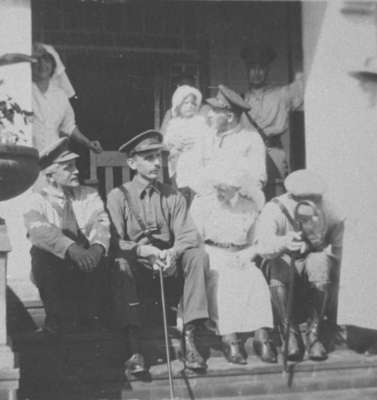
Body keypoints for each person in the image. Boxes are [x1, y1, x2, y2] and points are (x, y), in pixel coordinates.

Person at [106, 130, 210, 376]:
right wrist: (143, 250)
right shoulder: (118, 196)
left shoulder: (172, 195)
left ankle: (190, 337)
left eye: (158, 157)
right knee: (120, 264)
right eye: (148, 157)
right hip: (137, 267)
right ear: (132, 163)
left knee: (197, 255)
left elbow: (188, 234)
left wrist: (172, 253)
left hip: (168, 265)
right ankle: (134, 348)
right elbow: (114, 241)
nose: (156, 163)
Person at [23, 138, 110, 335]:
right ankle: (55, 319)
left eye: (75, 165)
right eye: (68, 167)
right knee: (39, 253)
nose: (76, 171)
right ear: (50, 174)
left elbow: (101, 222)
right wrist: (72, 249)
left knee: (104, 253)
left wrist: (96, 249)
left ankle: (92, 318)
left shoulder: (89, 194)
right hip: (58, 269)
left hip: (87, 266)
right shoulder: (36, 200)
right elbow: (39, 231)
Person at [255, 169, 345, 361]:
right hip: (283, 262)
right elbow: (262, 246)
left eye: (315, 198)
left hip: (311, 263)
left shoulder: (329, 210)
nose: (310, 202)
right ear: (291, 196)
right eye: (303, 198)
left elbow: (340, 248)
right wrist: (284, 243)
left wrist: (323, 252)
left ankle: (314, 333)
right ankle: (289, 333)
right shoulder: (275, 208)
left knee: (320, 261)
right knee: (278, 264)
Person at [191, 167, 276, 365]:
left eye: (224, 188)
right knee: (223, 278)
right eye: (216, 187)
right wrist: (217, 255)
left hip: (242, 253)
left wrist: (247, 255)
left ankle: (262, 336)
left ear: (238, 188)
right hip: (212, 252)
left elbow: (257, 241)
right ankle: (229, 338)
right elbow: (196, 238)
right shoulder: (203, 204)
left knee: (256, 278)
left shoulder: (249, 206)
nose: (219, 192)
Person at [241, 44, 304, 199]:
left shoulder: (281, 94)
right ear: (247, 71)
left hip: (273, 153)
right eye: (252, 68)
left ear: (267, 70)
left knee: (276, 197)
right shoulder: (241, 100)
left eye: (261, 68)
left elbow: (304, 83)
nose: (257, 73)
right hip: (248, 156)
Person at [31, 44, 102, 153]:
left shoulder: (60, 95)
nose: (42, 65)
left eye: (46, 60)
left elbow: (69, 126)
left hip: (52, 155)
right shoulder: (24, 91)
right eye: (37, 61)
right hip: (28, 155)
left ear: (53, 65)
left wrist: (88, 143)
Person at [201, 84, 267, 196]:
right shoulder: (209, 137)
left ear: (230, 117)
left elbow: (257, 180)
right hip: (210, 202)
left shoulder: (251, 139)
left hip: (238, 205)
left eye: (215, 110)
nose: (209, 114)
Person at [164, 84, 213, 203]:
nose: (190, 106)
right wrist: (175, 144)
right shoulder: (174, 124)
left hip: (197, 161)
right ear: (178, 105)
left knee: (197, 191)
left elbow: (208, 139)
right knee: (181, 191)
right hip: (181, 161)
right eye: (186, 103)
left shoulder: (200, 122)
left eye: (193, 103)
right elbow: (167, 141)